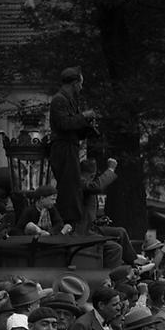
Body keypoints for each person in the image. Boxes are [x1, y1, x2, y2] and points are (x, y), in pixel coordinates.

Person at [48, 67, 98, 227]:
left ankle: (71, 221)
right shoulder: (59, 100)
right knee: (69, 187)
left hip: (69, 147)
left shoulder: (68, 100)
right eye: (81, 84)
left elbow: (72, 127)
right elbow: (64, 124)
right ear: (75, 83)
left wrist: (88, 128)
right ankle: (68, 222)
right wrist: (83, 116)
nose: (81, 88)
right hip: (63, 148)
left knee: (73, 186)